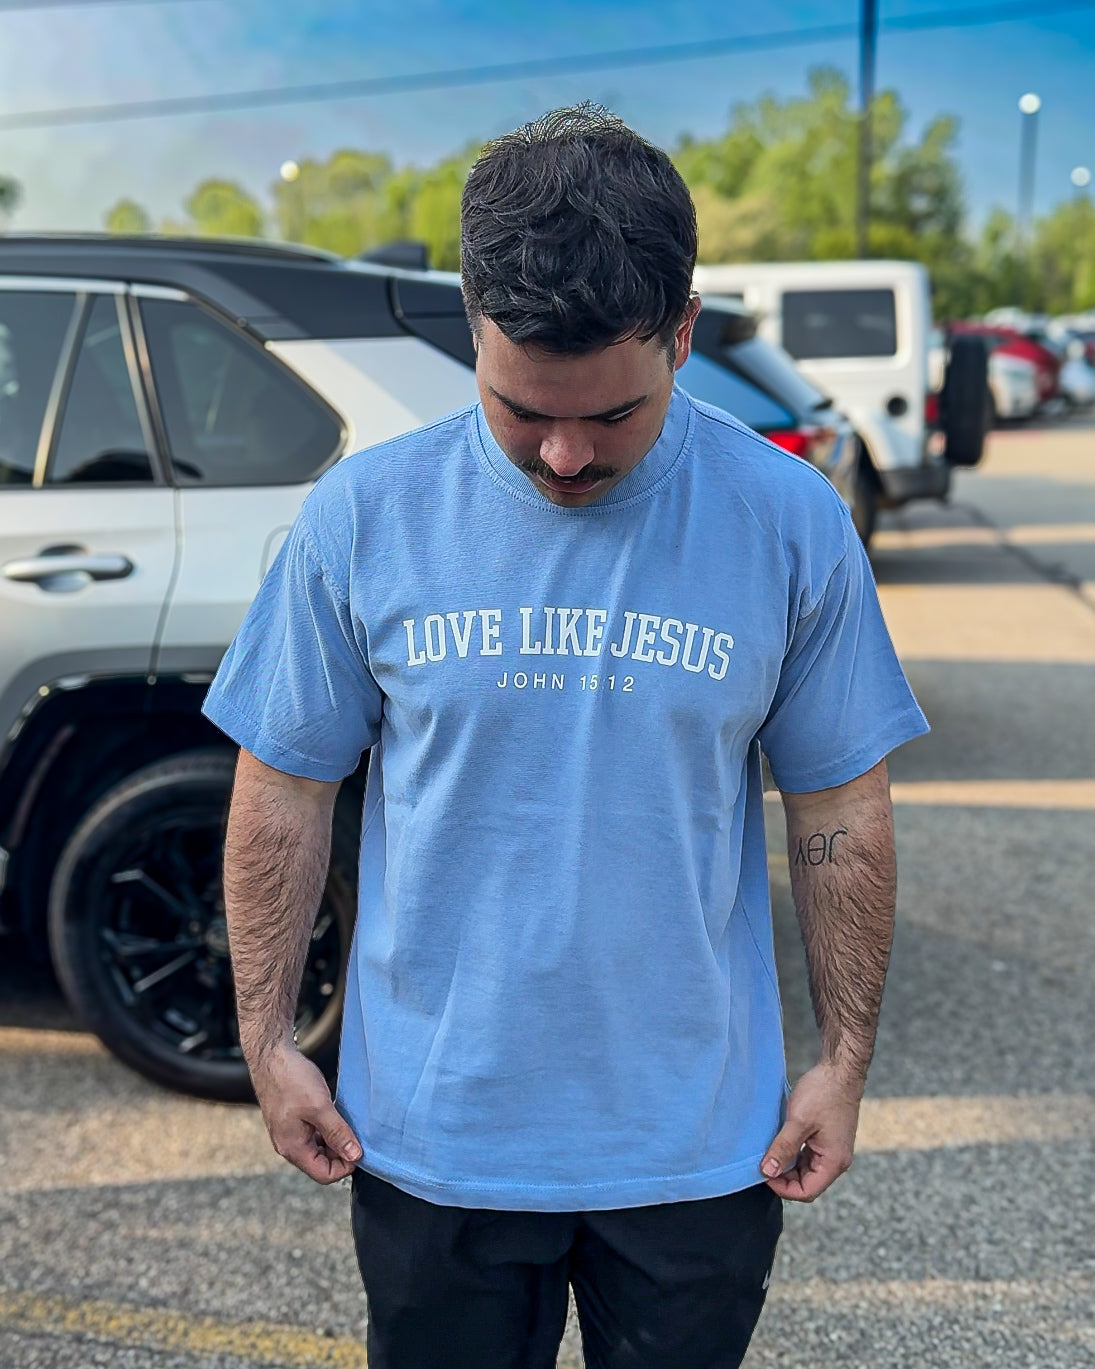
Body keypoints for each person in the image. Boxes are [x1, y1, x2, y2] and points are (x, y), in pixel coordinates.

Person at [203, 104, 928, 1369]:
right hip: (434, 1144)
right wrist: (267, 1041)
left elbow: (840, 812)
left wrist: (845, 1060)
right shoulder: (363, 518)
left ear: (683, 333)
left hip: (697, 1149)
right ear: (470, 323)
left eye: (614, 415)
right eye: (520, 408)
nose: (564, 454)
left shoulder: (790, 520)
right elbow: (284, 790)